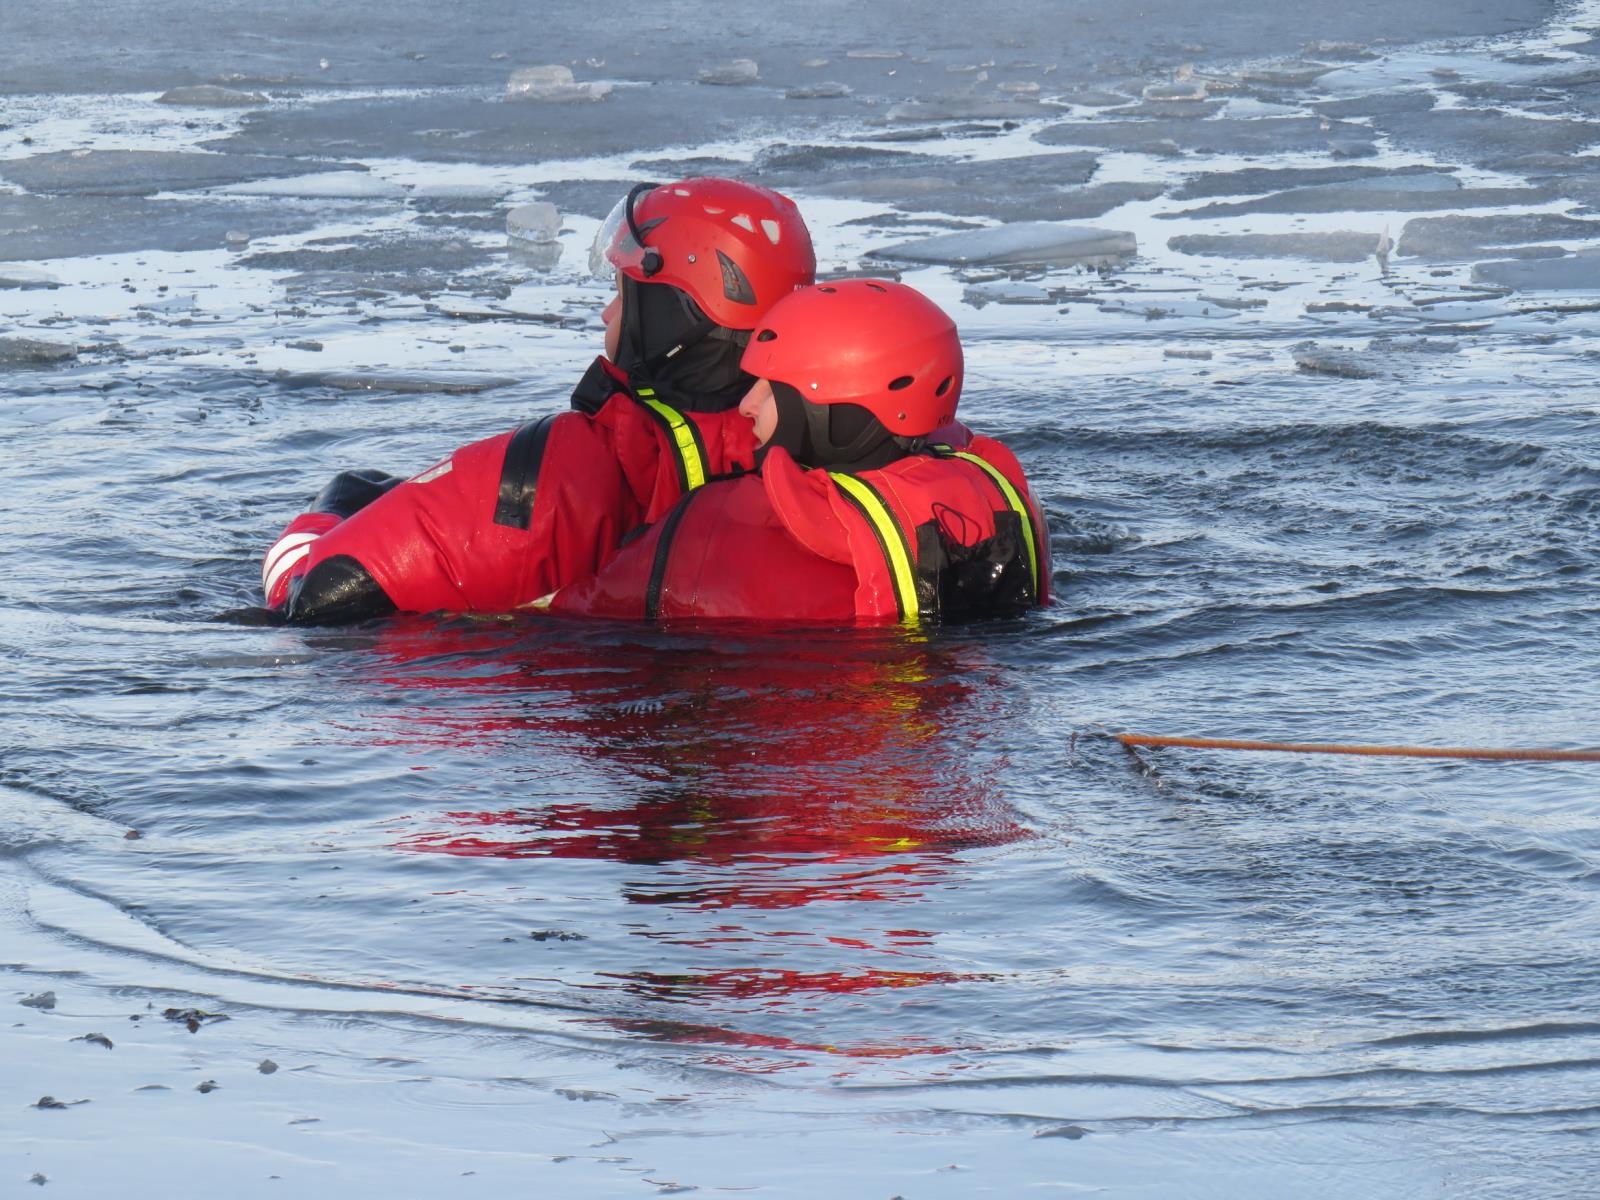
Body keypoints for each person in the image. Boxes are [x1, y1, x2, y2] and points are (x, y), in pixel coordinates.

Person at [257, 176, 816, 624]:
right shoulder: (837, 444)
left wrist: (323, 515)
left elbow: (315, 597)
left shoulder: (563, 470)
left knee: (352, 492)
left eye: (622, 295)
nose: (606, 314)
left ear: (669, 316)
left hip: (577, 732)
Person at [548, 279, 1050, 625]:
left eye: (770, 390)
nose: (745, 406)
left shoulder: (723, 525)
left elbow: (581, 616)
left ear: (828, 405)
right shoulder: (1004, 498)